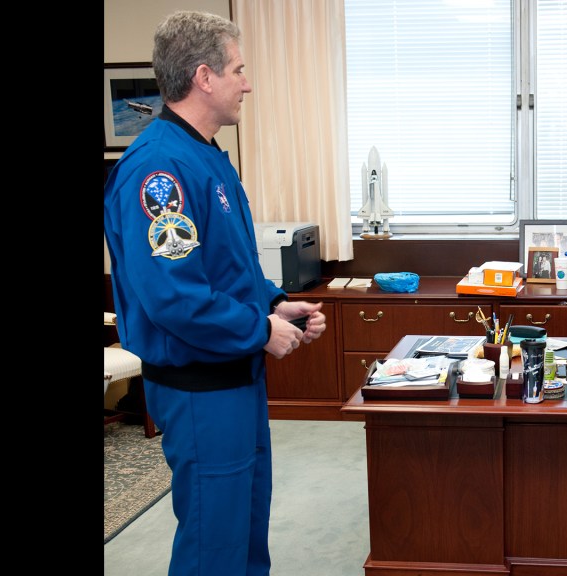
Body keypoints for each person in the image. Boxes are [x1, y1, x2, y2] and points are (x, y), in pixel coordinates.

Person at [103, 11, 327, 575]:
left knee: (246, 532)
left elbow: (228, 267)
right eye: (239, 70)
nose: (247, 83)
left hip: (235, 376)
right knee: (214, 545)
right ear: (205, 77)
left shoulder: (206, 157)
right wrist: (258, 330)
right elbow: (173, 296)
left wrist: (275, 303)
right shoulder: (160, 170)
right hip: (200, 387)